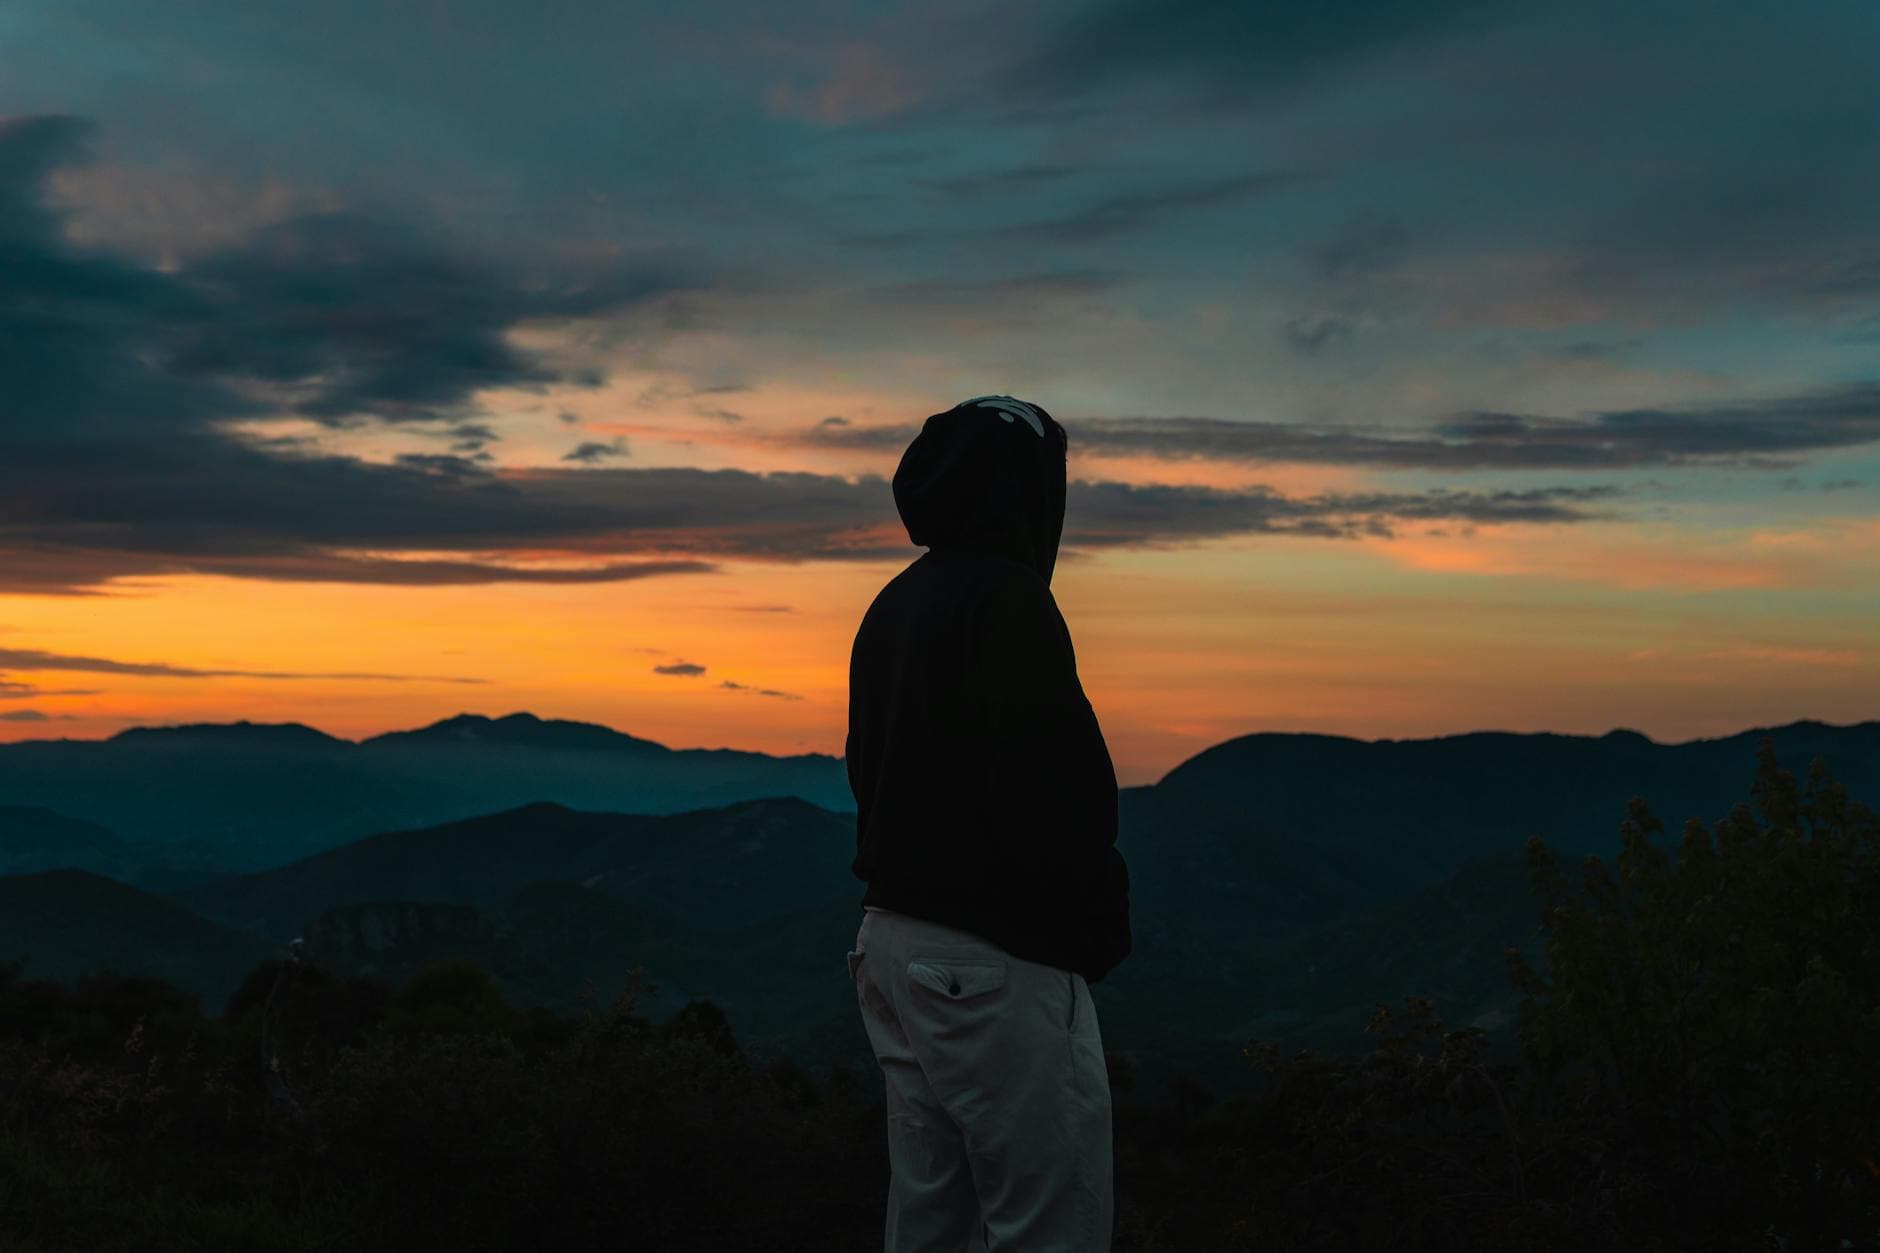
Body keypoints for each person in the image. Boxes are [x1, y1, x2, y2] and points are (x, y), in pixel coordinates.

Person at [843, 394, 1131, 1252]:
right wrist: (1093, 926)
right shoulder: (1009, 602)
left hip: (890, 945)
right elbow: (1052, 789)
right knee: (1050, 1224)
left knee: (932, 1219)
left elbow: (869, 770)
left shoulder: (892, 605)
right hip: (994, 963)